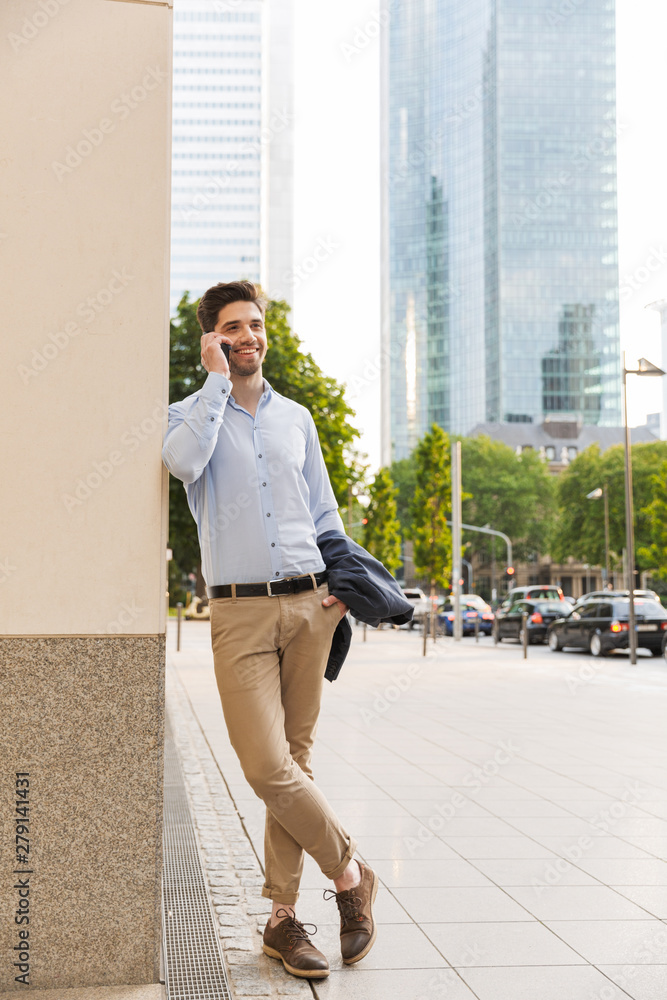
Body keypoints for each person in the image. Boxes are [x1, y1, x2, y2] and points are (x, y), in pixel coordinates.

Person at [162, 280, 378, 980]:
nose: (248, 335)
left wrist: (339, 589)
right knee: (265, 767)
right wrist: (214, 384)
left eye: (255, 325)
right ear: (212, 339)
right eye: (232, 327)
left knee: (295, 762)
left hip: (310, 606)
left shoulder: (297, 419)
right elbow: (182, 466)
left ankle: (283, 920)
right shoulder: (191, 415)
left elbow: (324, 512)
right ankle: (349, 873)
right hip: (238, 611)